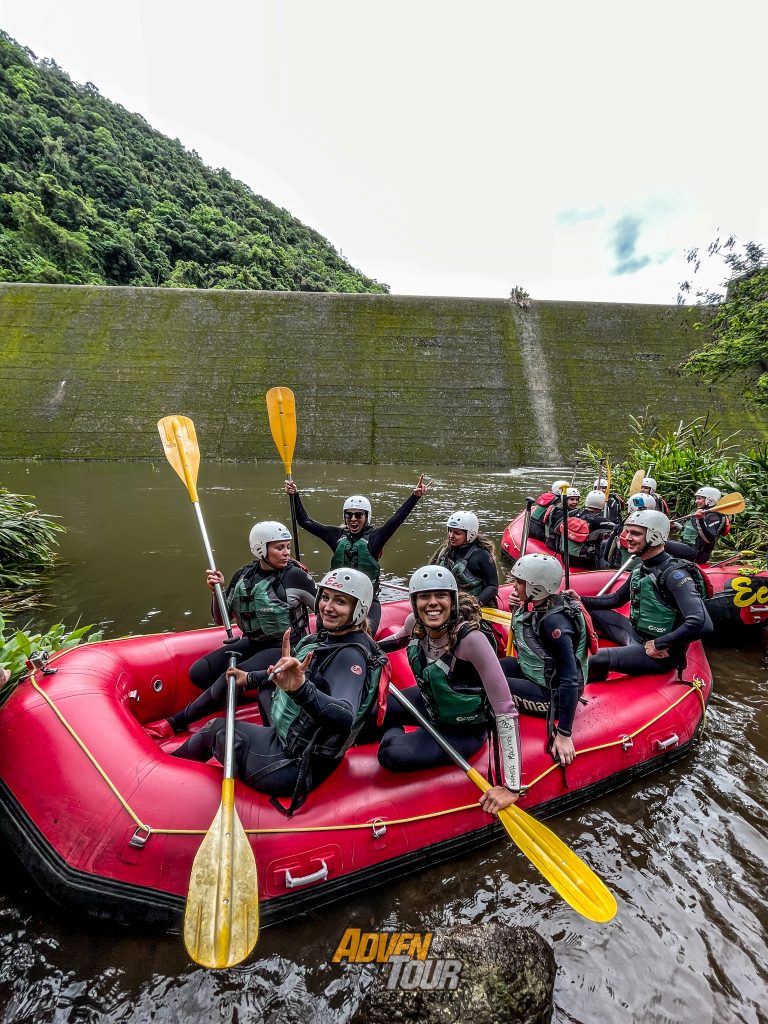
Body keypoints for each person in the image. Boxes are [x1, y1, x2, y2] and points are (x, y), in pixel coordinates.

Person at [172, 568, 388, 814]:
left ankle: (165, 776)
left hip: (295, 765)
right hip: (301, 742)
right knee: (266, 691)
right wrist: (250, 678)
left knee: (214, 730)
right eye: (325, 597)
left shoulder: (350, 656)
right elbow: (285, 675)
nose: (328, 606)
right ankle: (264, 737)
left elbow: (345, 716)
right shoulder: (335, 637)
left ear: (358, 609)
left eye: (340, 601)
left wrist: (300, 689)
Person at [145, 521, 316, 739]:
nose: (285, 553)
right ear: (260, 548)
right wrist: (217, 591)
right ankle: (242, 690)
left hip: (285, 648)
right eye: (279, 547)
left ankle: (175, 722)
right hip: (254, 641)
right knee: (199, 672)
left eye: (287, 547)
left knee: (230, 677)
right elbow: (219, 618)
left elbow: (322, 611)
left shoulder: (296, 576)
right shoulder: (243, 575)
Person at [376, 565, 521, 816]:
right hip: (429, 704)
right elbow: (395, 641)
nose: (433, 603)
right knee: (374, 710)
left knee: (392, 755)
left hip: (464, 729)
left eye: (441, 596)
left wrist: (512, 787)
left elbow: (505, 709)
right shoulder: (414, 623)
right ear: (414, 601)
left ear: (452, 600)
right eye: (424, 596)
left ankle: (394, 735)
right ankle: (393, 729)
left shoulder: (471, 640)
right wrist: (356, 645)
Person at [576, 510, 712, 681]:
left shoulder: (675, 575)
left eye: (636, 533)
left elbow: (702, 623)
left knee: (597, 658)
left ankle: (587, 693)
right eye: (628, 532)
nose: (627, 537)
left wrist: (659, 644)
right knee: (583, 610)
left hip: (660, 653)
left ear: (654, 536)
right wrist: (579, 600)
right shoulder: (641, 568)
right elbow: (616, 599)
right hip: (635, 634)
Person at [285, 475, 431, 634]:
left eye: (359, 515)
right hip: (338, 600)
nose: (353, 519)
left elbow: (397, 519)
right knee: (323, 633)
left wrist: (415, 497)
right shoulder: (336, 536)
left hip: (367, 603)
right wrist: (294, 495)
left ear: (367, 517)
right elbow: (304, 521)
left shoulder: (375, 538)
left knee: (365, 636)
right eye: (349, 515)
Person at [501, 554, 593, 767]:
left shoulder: (555, 623)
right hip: (536, 674)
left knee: (488, 685)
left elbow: (569, 679)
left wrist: (564, 734)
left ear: (536, 587)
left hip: (552, 694)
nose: (513, 585)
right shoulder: (539, 603)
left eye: (518, 582)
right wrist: (518, 606)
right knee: (488, 670)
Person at [433, 511, 499, 607]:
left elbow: (492, 587)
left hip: (478, 604)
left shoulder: (482, 555)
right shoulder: (445, 552)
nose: (451, 536)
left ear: (470, 534)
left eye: (457, 533)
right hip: (450, 602)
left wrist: (474, 604)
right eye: (450, 531)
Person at [666, 487, 728, 564]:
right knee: (661, 539)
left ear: (710, 500)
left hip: (697, 552)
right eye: (696, 498)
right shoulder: (704, 513)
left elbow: (708, 538)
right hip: (687, 546)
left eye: (699, 498)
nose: (696, 501)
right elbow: (693, 532)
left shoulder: (714, 516)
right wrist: (676, 525)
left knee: (661, 544)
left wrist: (700, 519)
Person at [567, 491, 616, 568]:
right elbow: (616, 528)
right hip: (584, 561)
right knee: (605, 543)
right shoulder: (599, 520)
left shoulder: (574, 513)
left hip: (566, 557)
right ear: (602, 504)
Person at [544, 487, 580, 553]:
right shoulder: (559, 513)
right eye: (572, 499)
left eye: (577, 500)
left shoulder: (568, 510)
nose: (575, 502)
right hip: (554, 544)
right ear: (565, 500)